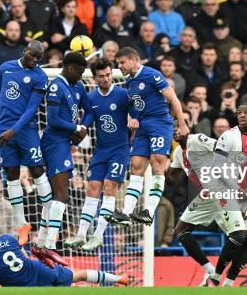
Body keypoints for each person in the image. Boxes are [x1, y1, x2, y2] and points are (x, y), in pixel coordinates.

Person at [170, 132, 247, 287]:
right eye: (171, 128)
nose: (175, 131)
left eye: (178, 126)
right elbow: (172, 177)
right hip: (207, 195)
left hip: (223, 191)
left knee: (239, 237)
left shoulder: (198, 140)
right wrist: (158, 169)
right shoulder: (178, 153)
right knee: (180, 231)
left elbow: (224, 152)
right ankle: (212, 271)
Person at [110, 47, 188, 225]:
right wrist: (133, 118)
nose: (119, 66)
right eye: (117, 63)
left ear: (133, 60)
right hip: (143, 127)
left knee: (157, 162)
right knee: (136, 167)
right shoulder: (129, 82)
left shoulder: (152, 75)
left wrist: (182, 124)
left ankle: (149, 211)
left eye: (122, 63)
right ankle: (126, 213)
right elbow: (135, 106)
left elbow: (174, 99)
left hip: (160, 123)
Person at [0, 40, 50, 248]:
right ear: (25, 51)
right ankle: (22, 225)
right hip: (3, 128)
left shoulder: (40, 76)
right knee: (11, 173)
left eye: (38, 59)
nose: (35, 61)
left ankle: (48, 223)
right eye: (32, 56)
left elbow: (32, 109)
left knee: (37, 169)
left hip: (26, 130)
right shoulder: (5, 68)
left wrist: (14, 130)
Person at [64, 58, 130, 251]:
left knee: (109, 186)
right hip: (100, 150)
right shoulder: (91, 98)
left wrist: (135, 119)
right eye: (101, 76)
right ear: (94, 78)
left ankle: (98, 235)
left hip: (120, 150)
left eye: (108, 75)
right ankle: (80, 235)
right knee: (92, 187)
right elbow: (87, 121)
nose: (105, 79)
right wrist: (74, 142)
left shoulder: (123, 94)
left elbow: (137, 111)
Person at [206, 105, 247, 286]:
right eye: (238, 112)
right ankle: (217, 274)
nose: (241, 115)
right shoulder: (228, 136)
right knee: (239, 236)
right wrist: (236, 189)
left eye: (245, 112)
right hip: (226, 192)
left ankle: (228, 282)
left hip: (245, 195)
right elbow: (216, 166)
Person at [39, 52, 89, 257]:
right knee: (62, 194)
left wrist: (83, 127)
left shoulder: (78, 86)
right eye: (79, 71)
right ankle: (50, 244)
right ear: (68, 68)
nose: (81, 75)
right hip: (53, 143)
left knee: (54, 196)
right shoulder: (55, 87)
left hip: (64, 143)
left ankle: (42, 241)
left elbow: (91, 108)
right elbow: (53, 120)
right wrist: (77, 127)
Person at [0, 221, 128, 287]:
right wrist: (25, 229)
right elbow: (23, 248)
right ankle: (118, 278)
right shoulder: (6, 238)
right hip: (39, 270)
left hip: (23, 287)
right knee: (77, 276)